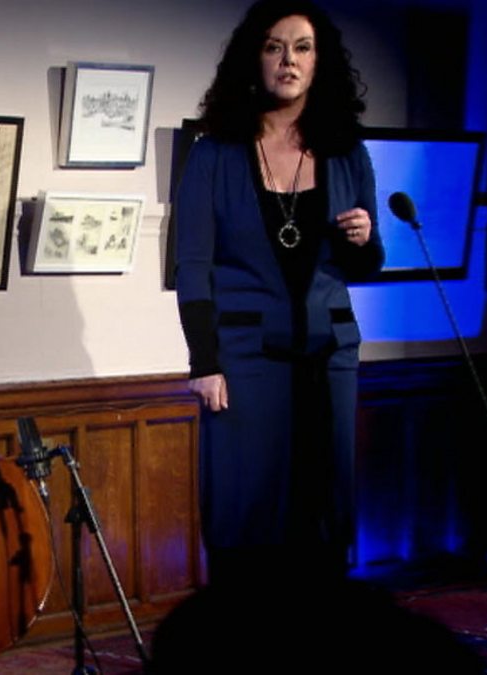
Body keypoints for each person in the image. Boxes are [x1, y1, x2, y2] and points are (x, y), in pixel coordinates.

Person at [174, 0, 384, 583]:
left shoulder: (348, 153)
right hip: (245, 360)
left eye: (302, 48)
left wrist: (363, 239)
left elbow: (366, 266)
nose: (288, 60)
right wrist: (204, 361)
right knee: (246, 509)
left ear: (319, 63)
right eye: (274, 47)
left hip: (328, 355)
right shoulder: (214, 155)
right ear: (254, 60)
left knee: (324, 513)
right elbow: (193, 267)